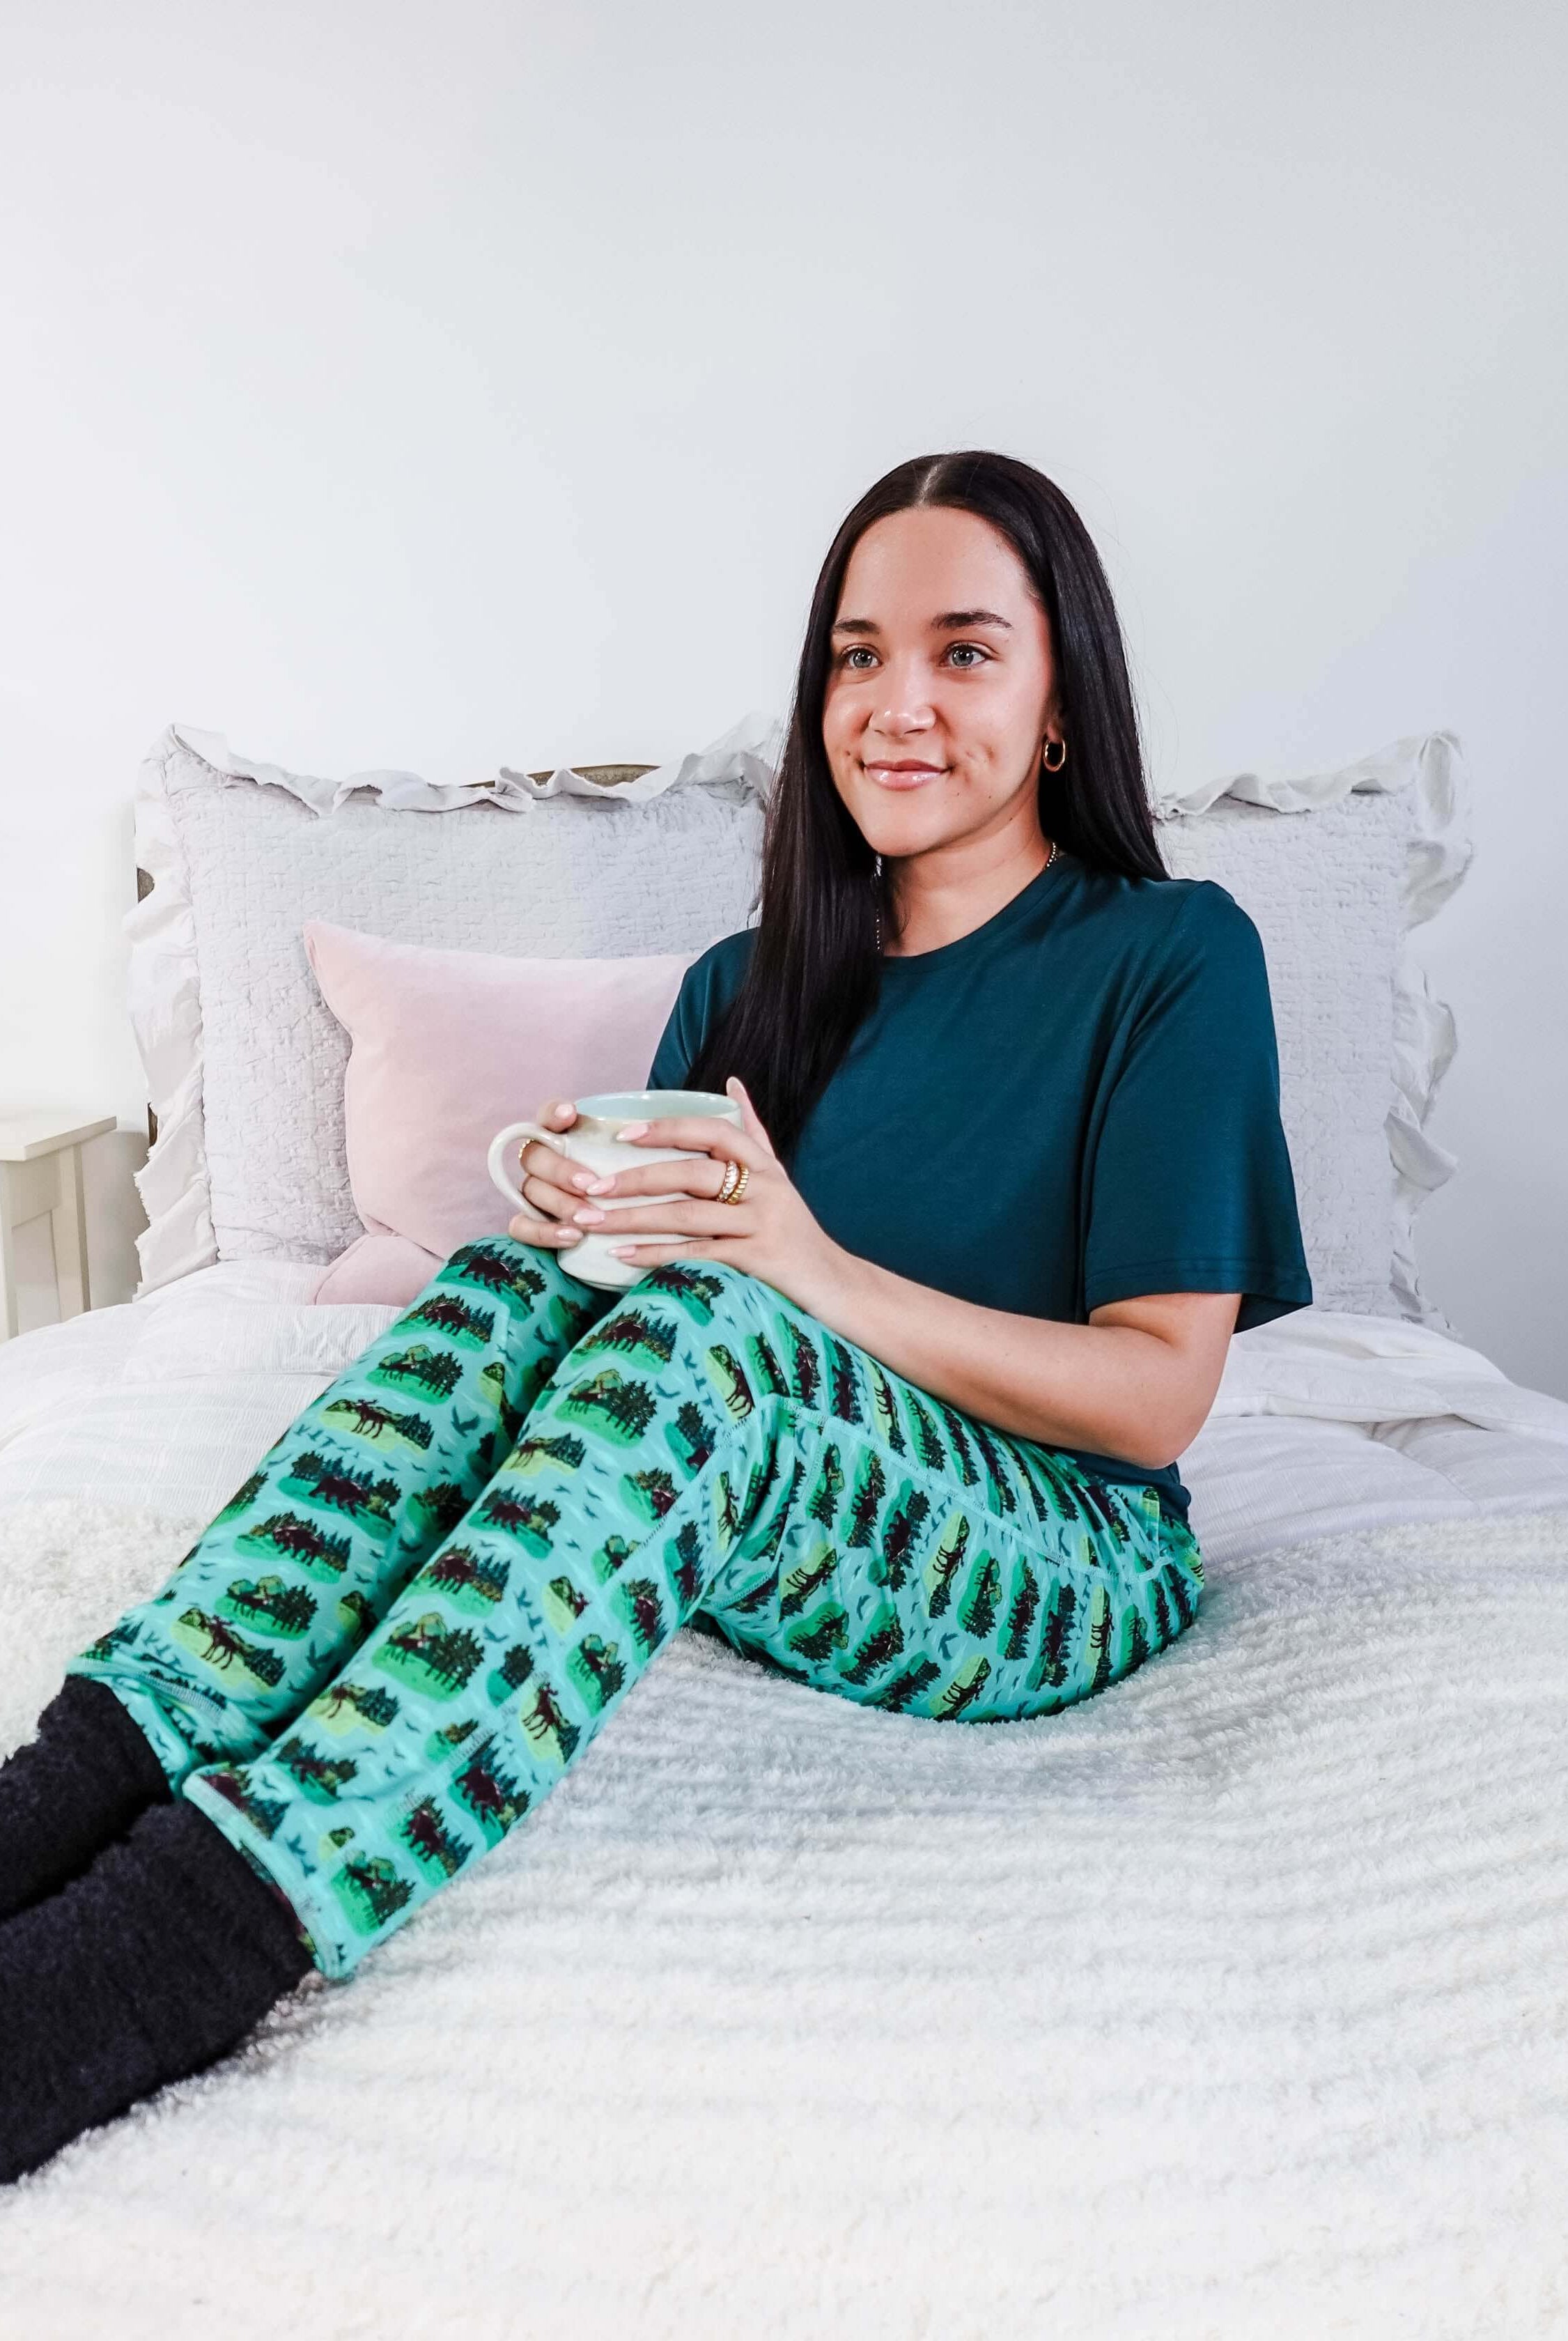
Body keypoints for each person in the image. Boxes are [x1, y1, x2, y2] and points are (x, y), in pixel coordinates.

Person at [0, 449, 1311, 2182]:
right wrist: (573, 1230)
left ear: (1063, 699)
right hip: (781, 1501)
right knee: (499, 1286)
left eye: (965, 651)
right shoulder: (742, 987)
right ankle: (67, 1798)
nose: (895, 704)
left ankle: (159, 1953)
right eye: (855, 656)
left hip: (1058, 1544)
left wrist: (799, 1265)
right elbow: (642, 1322)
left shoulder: (1172, 953)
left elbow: (1155, 1399)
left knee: (723, 1341)